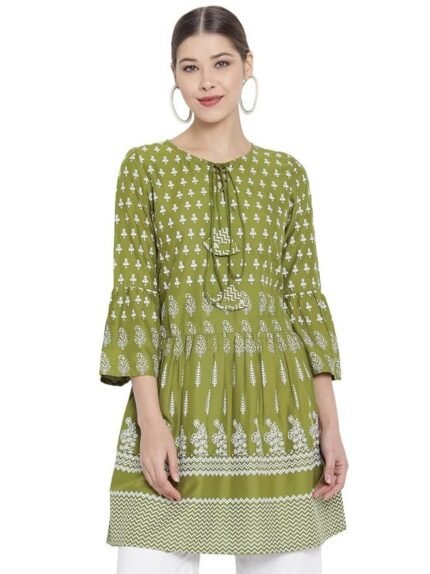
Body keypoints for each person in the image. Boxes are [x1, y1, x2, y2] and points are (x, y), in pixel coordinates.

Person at [98, 5, 349, 573]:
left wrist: (330, 428)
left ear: (247, 65)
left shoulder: (286, 174)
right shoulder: (145, 168)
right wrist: (151, 423)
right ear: (173, 73)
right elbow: (136, 296)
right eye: (190, 67)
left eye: (221, 63)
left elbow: (303, 299)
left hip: (278, 412)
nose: (206, 82)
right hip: (176, 409)